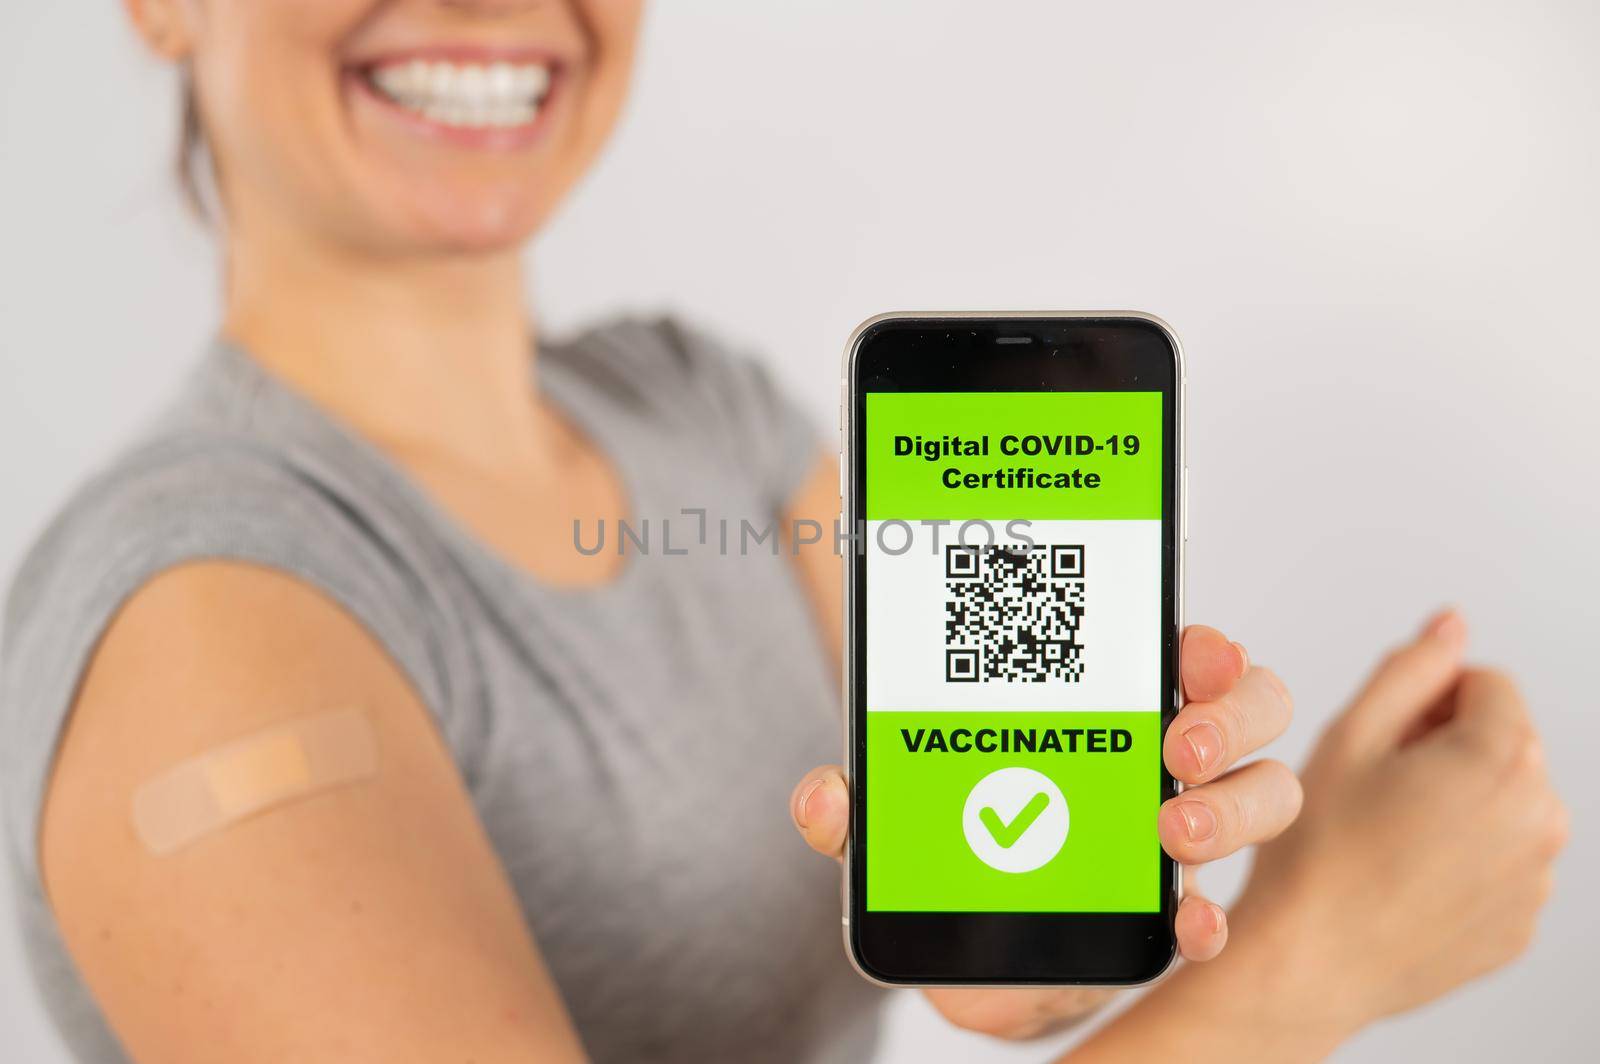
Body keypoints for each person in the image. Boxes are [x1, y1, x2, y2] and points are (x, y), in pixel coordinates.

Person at [0, 2, 1563, 1062]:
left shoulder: (705, 413)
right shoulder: (202, 611)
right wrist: (1317, 965)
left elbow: (974, 934)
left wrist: (1061, 928)